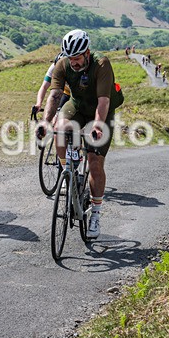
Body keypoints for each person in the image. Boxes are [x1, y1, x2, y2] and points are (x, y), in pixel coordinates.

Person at [36, 29, 124, 239]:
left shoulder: (101, 64)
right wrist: (46, 122)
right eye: (70, 59)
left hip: (100, 111)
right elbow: (55, 94)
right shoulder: (63, 64)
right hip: (77, 106)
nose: (73, 63)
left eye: (77, 59)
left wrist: (97, 127)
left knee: (94, 161)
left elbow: (103, 101)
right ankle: (68, 172)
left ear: (87, 52)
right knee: (60, 129)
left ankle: (95, 213)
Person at [32, 52, 70, 121]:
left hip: (79, 95)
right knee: (56, 116)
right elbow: (44, 87)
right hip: (66, 93)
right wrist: (38, 103)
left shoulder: (76, 67)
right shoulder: (53, 67)